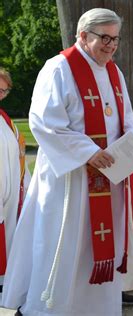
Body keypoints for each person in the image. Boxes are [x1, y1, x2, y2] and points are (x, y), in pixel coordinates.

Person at [1, 8, 133, 315]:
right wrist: (88, 152)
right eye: (104, 38)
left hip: (109, 177)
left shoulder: (113, 72)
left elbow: (128, 120)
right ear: (83, 36)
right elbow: (44, 123)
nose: (111, 45)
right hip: (69, 182)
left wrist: (131, 145)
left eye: (115, 39)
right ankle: (47, 308)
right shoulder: (59, 69)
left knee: (96, 248)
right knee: (64, 245)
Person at [0, 68, 30, 292]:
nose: (1, 94)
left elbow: (18, 148)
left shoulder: (5, 119)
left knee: (8, 231)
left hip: (8, 188)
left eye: (4, 91)